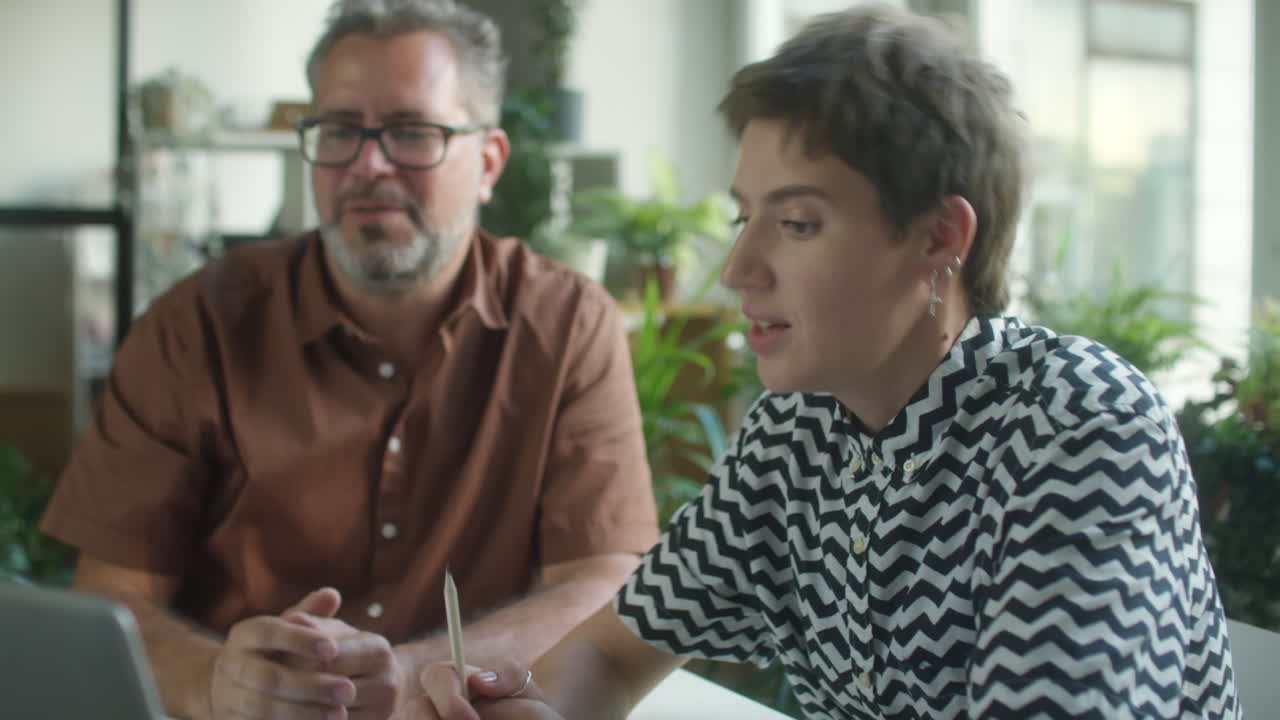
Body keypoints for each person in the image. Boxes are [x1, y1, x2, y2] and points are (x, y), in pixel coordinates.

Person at [401, 4, 1241, 719]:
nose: (738, 271)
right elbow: (615, 655)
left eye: (798, 224)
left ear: (938, 239)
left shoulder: (1080, 429)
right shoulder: (798, 429)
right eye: (744, 218)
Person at [40, 0, 659, 718]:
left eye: (410, 131)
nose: (368, 164)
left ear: (488, 162)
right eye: (339, 130)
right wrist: (220, 680)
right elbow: (113, 597)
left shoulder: (568, 324)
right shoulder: (195, 325)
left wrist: (404, 675)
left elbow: (601, 582)